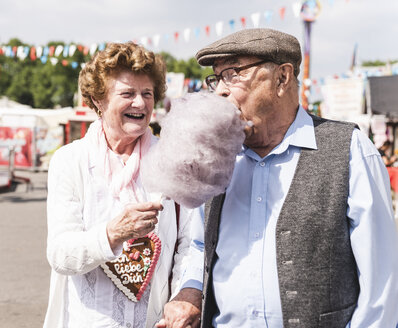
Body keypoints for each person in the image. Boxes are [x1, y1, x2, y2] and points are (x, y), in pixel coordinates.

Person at [159, 28, 398, 328]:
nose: (220, 90)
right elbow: (199, 246)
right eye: (216, 78)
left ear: (282, 78)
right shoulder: (216, 155)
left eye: (233, 73)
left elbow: (382, 291)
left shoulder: (349, 150)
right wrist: (191, 291)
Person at [43, 42, 199, 328]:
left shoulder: (173, 159)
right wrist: (112, 233)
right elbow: (60, 254)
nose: (140, 103)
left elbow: (190, 244)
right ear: (98, 100)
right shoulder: (70, 160)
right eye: (127, 93)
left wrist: (182, 298)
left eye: (147, 94)